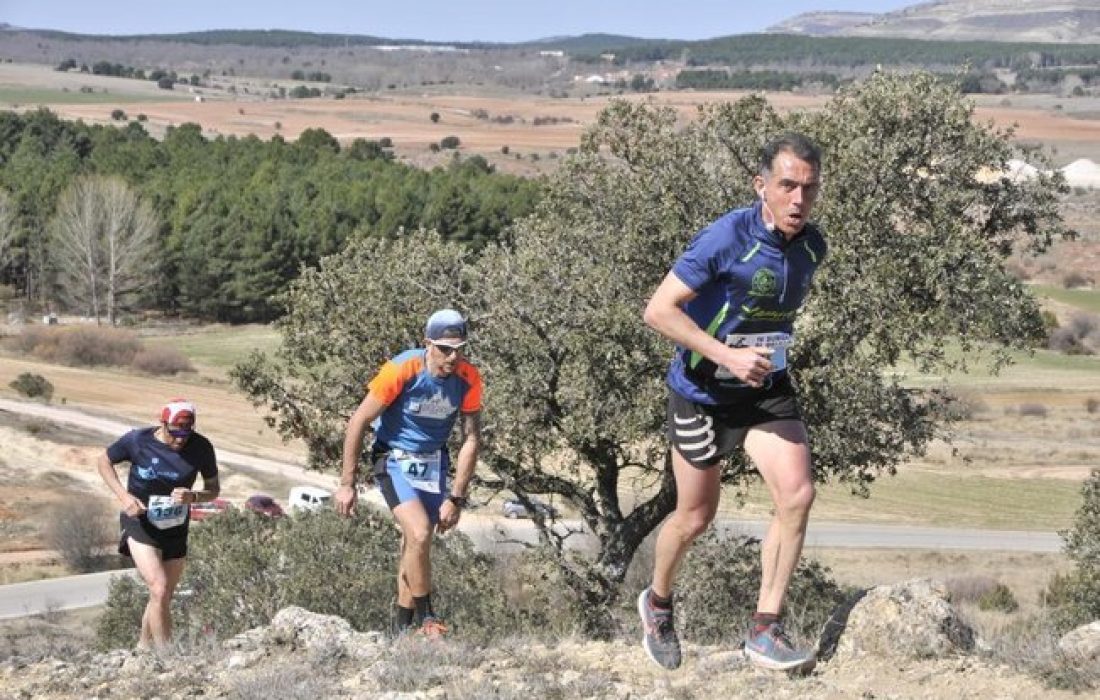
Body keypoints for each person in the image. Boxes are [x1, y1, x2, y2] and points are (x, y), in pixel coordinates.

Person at [638, 132, 827, 671]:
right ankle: (657, 603)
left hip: (765, 389)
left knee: (798, 496)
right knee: (695, 516)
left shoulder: (813, 247)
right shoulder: (725, 238)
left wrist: (758, 356)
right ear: (760, 185)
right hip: (701, 393)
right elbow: (658, 311)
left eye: (809, 189)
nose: (798, 199)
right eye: (787, 185)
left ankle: (765, 629)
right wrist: (726, 354)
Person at [336, 308, 482, 637]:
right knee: (419, 533)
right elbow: (358, 421)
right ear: (427, 343)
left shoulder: (468, 377)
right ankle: (428, 619)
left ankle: (400, 635)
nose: (453, 357)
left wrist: (456, 498)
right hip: (392, 457)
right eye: (445, 349)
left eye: (460, 349)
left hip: (433, 462)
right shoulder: (403, 368)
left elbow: (471, 439)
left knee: (416, 546)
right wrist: (347, 483)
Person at [96, 398, 219, 649]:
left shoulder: (201, 447)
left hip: (175, 526)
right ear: (162, 423)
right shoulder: (138, 440)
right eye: (175, 432)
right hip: (140, 522)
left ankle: (143, 648)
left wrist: (194, 497)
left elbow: (213, 489)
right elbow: (103, 461)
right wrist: (124, 497)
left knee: (162, 596)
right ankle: (167, 655)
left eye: (187, 432)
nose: (181, 439)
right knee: (159, 588)